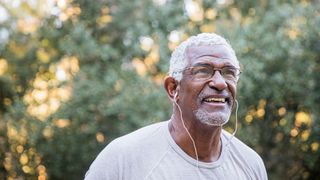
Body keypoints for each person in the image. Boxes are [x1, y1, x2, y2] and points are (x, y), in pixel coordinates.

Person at [85, 33, 268, 180]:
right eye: (203, 71)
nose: (220, 83)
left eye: (229, 73)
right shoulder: (122, 158)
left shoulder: (251, 164)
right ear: (173, 88)